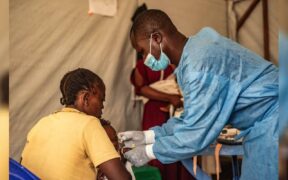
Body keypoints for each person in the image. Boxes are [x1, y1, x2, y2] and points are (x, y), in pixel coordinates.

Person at [119, 10, 278, 180]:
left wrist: (148, 151)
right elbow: (191, 117)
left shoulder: (198, 66)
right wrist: (148, 136)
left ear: (157, 38)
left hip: (275, 119)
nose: (144, 60)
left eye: (143, 51)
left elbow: (194, 135)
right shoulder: (197, 48)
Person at [21, 68, 131, 180]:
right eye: (101, 100)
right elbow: (121, 178)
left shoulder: (42, 122)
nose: (102, 106)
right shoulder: (89, 123)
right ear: (86, 98)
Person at [131, 59, 194, 180]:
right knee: (158, 147)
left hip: (177, 108)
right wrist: (169, 97)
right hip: (156, 111)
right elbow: (141, 88)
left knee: (180, 147)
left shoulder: (175, 61)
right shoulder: (142, 65)